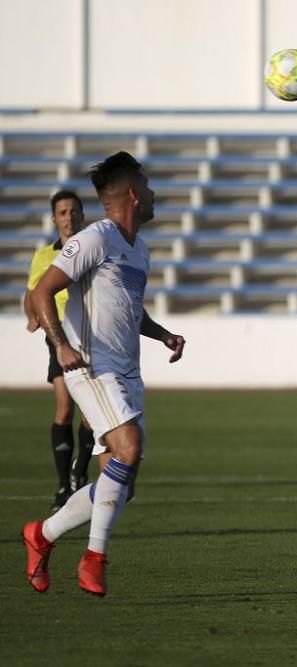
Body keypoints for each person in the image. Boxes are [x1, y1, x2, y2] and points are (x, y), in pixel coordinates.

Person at [21, 151, 186, 597]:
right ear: (133, 194)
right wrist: (60, 344)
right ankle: (94, 560)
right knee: (129, 448)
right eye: (148, 188)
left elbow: (128, 310)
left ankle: (42, 535)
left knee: (120, 485)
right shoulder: (97, 238)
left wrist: (162, 333)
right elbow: (41, 292)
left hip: (127, 373)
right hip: (92, 367)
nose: (153, 196)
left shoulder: (139, 249)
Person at [23, 191, 96, 510]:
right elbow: (33, 293)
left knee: (91, 416)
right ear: (54, 219)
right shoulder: (43, 256)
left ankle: (80, 472)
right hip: (60, 335)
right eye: (63, 212)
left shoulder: (92, 248)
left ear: (82, 215)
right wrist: (32, 315)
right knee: (64, 407)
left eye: (74, 211)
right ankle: (63, 484)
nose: (69, 217)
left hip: (92, 335)